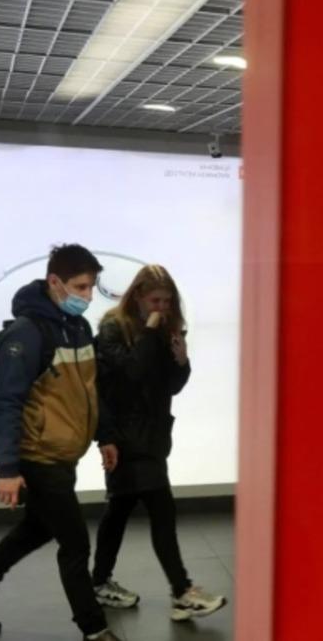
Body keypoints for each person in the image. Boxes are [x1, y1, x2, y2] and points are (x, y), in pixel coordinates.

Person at [0, 244, 123, 641]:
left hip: (62, 452)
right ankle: (95, 630)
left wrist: (105, 435)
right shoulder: (26, 334)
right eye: (80, 287)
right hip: (37, 455)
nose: (87, 296)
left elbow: (87, 391)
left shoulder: (78, 327)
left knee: (37, 529)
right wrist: (7, 469)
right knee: (75, 544)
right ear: (54, 282)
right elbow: (6, 403)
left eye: (91, 287)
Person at [91, 264, 227, 621]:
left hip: (152, 435)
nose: (162, 308)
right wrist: (151, 332)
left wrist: (182, 362)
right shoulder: (113, 327)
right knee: (160, 511)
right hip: (125, 436)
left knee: (119, 511)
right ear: (138, 295)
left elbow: (169, 386)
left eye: (167, 301)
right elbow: (130, 373)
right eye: (156, 300)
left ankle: (100, 582)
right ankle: (182, 591)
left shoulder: (165, 329)